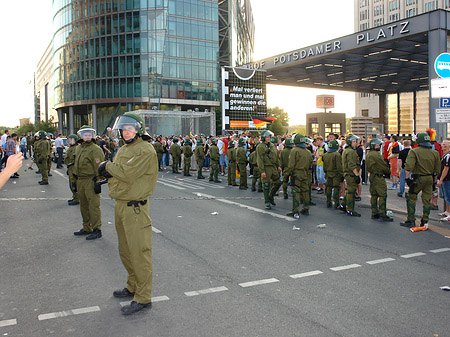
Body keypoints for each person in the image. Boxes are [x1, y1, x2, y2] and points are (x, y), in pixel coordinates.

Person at [98, 112, 158, 315]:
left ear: (138, 130)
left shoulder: (145, 149)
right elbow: (119, 172)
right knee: (125, 250)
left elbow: (126, 173)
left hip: (136, 208)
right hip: (121, 204)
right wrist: (108, 173)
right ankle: (133, 285)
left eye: (130, 129)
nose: (125, 132)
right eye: (123, 129)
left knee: (139, 253)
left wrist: (107, 166)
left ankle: (143, 297)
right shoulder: (124, 149)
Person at [400, 132, 441, 229]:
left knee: (411, 197)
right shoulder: (435, 152)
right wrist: (434, 180)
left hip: (418, 178)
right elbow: (437, 169)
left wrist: (407, 179)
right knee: (427, 200)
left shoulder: (414, 151)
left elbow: (408, 166)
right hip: (430, 178)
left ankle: (411, 219)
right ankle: (425, 220)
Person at [73, 125, 104, 240]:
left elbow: (99, 167)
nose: (87, 137)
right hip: (80, 180)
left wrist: (98, 182)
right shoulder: (79, 148)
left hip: (91, 180)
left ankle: (97, 229)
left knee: (93, 206)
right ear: (81, 136)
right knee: (83, 205)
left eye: (89, 135)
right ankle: (87, 227)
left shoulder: (96, 149)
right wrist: (74, 181)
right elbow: (76, 164)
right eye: (85, 135)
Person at [366, 138, 393, 222]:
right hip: (378, 176)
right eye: (378, 145)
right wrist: (388, 171)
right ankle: (382, 213)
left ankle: (374, 212)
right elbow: (383, 166)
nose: (379, 146)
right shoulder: (376, 155)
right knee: (382, 195)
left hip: (372, 175)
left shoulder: (369, 154)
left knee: (374, 195)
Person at [285, 134, 313, 217]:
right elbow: (310, 163)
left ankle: (295, 211)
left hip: (296, 174)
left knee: (296, 192)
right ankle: (306, 208)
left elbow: (291, 165)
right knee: (305, 191)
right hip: (305, 173)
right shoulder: (308, 152)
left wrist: (287, 174)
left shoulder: (294, 150)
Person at [256, 130, 282, 209]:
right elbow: (259, 159)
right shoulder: (260, 147)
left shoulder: (272, 145)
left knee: (278, 182)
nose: (269, 138)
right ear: (264, 137)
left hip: (273, 167)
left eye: (269, 137)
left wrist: (278, 165)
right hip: (266, 167)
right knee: (266, 185)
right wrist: (262, 171)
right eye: (267, 137)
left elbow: (276, 156)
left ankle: (271, 196)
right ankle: (267, 201)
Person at [341, 134, 362, 217]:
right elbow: (352, 165)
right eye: (354, 141)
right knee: (351, 192)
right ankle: (350, 209)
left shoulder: (347, 150)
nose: (356, 143)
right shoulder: (351, 152)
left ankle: (343, 205)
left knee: (349, 190)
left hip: (348, 174)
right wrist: (357, 175)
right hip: (351, 174)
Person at [322, 140, 343, 209]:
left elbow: (324, 166)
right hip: (336, 174)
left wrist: (325, 172)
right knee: (336, 188)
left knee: (329, 188)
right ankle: (336, 202)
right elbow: (339, 166)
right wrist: (341, 174)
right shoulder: (337, 155)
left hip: (328, 173)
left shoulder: (325, 155)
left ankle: (328, 202)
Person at [64, 134, 80, 206]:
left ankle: (77, 198)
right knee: (71, 184)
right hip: (70, 168)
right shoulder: (71, 148)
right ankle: (74, 197)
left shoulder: (77, 148)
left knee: (74, 184)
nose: (70, 142)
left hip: (74, 168)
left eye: (72, 140)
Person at [437, 140, 450, 221]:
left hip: (447, 179)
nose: (442, 146)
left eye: (444, 144)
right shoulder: (445, 155)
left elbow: (446, 169)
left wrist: (441, 180)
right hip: (446, 179)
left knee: (448, 196)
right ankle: (447, 211)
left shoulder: (448, 156)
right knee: (446, 196)